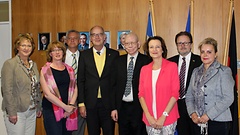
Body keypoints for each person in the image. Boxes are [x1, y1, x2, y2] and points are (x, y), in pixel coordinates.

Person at [185, 37, 234, 135]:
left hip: (218, 122)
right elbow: (189, 96)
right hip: (197, 122)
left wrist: (208, 115)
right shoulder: (195, 72)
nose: (205, 55)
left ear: (215, 54)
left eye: (209, 52)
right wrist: (192, 113)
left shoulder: (224, 71)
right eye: (202, 52)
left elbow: (228, 98)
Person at [77, 25, 119, 135]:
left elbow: (116, 83)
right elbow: (80, 80)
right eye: (94, 35)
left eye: (100, 34)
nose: (97, 37)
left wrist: (115, 106)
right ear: (90, 38)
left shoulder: (114, 54)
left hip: (108, 104)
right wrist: (81, 103)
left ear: (104, 37)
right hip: (90, 104)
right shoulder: (84, 55)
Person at [1, 33, 42, 135]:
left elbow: (36, 87)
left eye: (29, 45)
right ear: (17, 47)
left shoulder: (33, 65)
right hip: (17, 111)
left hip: (32, 110)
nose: (26, 48)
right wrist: (11, 112)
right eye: (23, 45)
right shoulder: (10, 64)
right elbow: (7, 90)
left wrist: (38, 107)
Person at [111, 32, 151, 135]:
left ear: (138, 44)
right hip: (122, 107)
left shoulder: (147, 61)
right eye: (127, 43)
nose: (130, 45)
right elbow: (113, 86)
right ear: (123, 45)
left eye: (132, 42)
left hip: (139, 107)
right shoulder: (117, 61)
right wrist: (114, 108)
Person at [138, 36, 179, 135]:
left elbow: (175, 94)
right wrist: (148, 116)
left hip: (168, 117)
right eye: (151, 47)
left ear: (162, 49)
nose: (154, 50)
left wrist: (163, 116)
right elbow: (141, 94)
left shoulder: (172, 66)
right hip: (150, 119)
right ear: (148, 50)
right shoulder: (144, 69)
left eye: (157, 47)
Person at [40, 41, 78, 135]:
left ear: (63, 52)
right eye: (54, 50)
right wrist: (65, 107)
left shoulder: (70, 69)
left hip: (69, 109)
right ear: (50, 54)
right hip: (51, 110)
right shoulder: (44, 70)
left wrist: (71, 106)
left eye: (59, 50)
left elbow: (75, 88)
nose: (57, 52)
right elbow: (47, 94)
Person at [168, 31, 202, 135]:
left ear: (191, 44)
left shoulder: (200, 61)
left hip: (195, 106)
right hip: (175, 105)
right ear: (176, 45)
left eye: (186, 43)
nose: (183, 46)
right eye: (180, 43)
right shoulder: (169, 62)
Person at [64, 30, 86, 135]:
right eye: (70, 38)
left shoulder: (85, 56)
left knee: (78, 129)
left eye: (75, 38)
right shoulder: (60, 56)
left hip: (81, 97)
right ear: (66, 40)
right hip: (63, 98)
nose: (72, 40)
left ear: (79, 41)